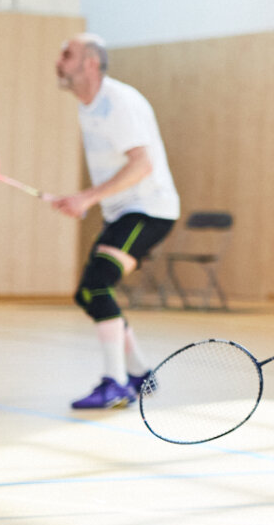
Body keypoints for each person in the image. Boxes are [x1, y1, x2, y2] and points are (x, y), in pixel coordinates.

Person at [51, 34, 180, 410]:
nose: (58, 61)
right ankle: (139, 373)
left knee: (97, 285)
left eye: (67, 54)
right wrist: (87, 199)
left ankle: (115, 383)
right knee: (87, 294)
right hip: (124, 212)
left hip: (148, 209)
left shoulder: (118, 102)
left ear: (90, 63)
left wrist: (87, 198)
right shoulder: (88, 105)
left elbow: (142, 164)